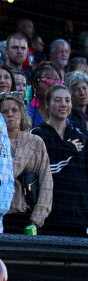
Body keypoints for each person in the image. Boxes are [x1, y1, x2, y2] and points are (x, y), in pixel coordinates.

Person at [32, 85, 88, 237]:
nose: (63, 104)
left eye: (67, 100)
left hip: (80, 220)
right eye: (58, 100)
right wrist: (68, 150)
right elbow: (42, 172)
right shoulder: (37, 135)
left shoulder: (81, 133)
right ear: (48, 104)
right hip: (48, 219)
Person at [0, 92, 50, 234]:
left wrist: (36, 220)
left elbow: (47, 183)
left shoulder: (35, 142)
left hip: (27, 217)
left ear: (22, 113)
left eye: (14, 110)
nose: (10, 114)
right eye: (4, 111)